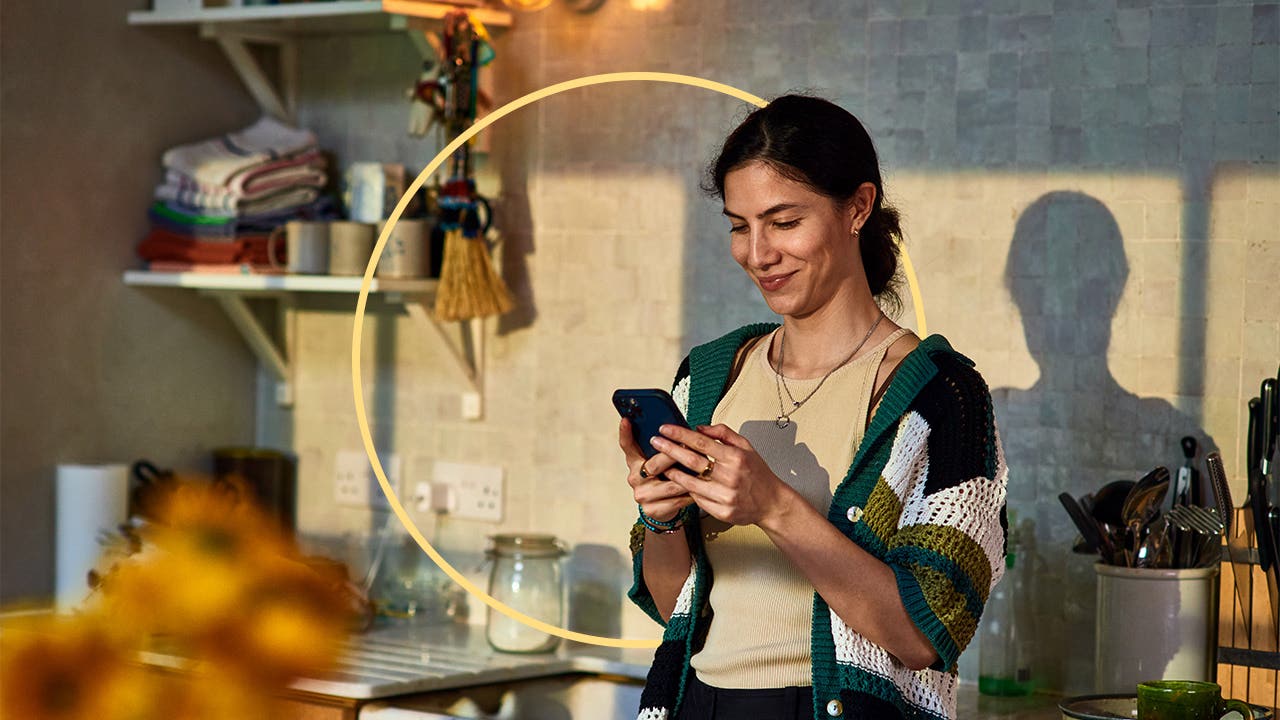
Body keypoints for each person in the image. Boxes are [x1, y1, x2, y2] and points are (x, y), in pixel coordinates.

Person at [618, 95, 1009, 720]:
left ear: (858, 206)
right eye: (739, 225)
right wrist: (662, 518)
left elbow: (923, 633)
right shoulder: (712, 376)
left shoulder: (940, 395)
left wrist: (773, 506)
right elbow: (674, 608)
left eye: (784, 221)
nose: (758, 253)